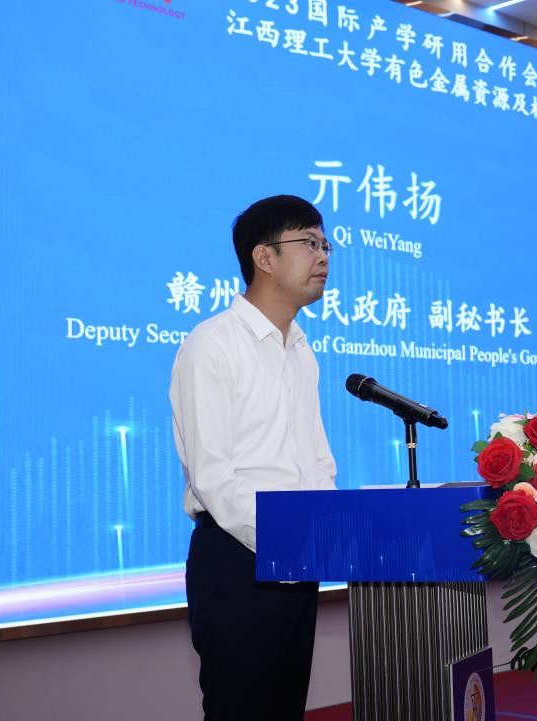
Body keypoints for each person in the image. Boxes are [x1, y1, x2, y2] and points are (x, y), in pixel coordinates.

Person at [169, 195, 337, 720]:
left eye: (326, 244)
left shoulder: (301, 350)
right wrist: (293, 542)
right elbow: (214, 477)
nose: (323, 255)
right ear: (264, 257)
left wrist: (327, 535)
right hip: (238, 563)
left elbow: (316, 461)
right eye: (309, 242)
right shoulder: (212, 344)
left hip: (297, 561)